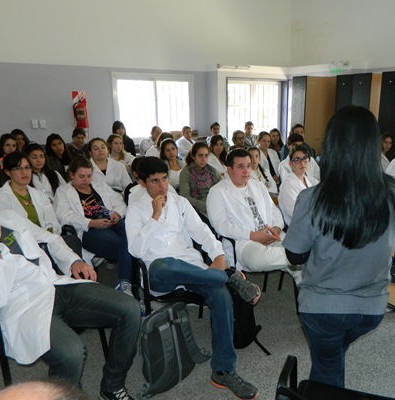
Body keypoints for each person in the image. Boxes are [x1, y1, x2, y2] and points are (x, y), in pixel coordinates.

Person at [0, 183, 140, 400]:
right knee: (71, 353)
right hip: (20, 307)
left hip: (54, 285)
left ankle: (112, 385)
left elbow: (50, 237)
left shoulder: (8, 217)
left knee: (129, 308)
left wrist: (74, 261)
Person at [282, 106, 395, 388]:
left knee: (327, 368)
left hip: (323, 308)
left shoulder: (313, 198)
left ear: (332, 146)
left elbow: (294, 255)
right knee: (333, 355)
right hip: (372, 309)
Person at [125, 156, 260, 400]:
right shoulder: (135, 208)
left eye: (165, 179)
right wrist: (155, 216)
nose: (163, 186)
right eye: (155, 181)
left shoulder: (179, 202)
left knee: (221, 298)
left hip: (195, 271)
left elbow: (202, 231)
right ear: (142, 182)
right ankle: (228, 277)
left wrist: (218, 253)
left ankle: (223, 370)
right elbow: (135, 249)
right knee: (165, 265)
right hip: (161, 274)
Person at [206, 149, 300, 281]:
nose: (246, 171)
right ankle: (300, 257)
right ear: (229, 169)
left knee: (301, 271)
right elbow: (221, 225)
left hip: (271, 235)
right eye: (240, 167)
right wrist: (253, 235)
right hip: (244, 242)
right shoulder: (217, 192)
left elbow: (274, 210)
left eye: (248, 166)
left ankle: (310, 295)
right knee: (263, 258)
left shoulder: (258, 186)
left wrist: (277, 229)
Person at [53, 157, 135, 300]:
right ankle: (128, 282)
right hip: (89, 230)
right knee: (127, 246)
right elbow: (64, 216)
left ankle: (125, 283)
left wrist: (116, 213)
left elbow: (119, 202)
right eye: (81, 176)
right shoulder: (63, 191)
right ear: (72, 175)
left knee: (131, 232)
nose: (86, 180)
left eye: (89, 176)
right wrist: (90, 222)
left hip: (112, 222)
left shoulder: (100, 185)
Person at [279, 145, 319, 225]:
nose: (302, 163)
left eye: (305, 159)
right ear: (290, 163)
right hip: (299, 227)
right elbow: (296, 213)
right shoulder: (287, 184)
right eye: (297, 160)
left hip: (315, 222)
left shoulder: (312, 181)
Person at [179, 142, 221, 216]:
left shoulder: (212, 171)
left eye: (206, 156)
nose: (204, 159)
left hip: (216, 204)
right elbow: (184, 196)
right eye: (200, 156)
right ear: (193, 156)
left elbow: (222, 188)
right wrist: (205, 206)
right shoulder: (186, 173)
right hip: (197, 209)